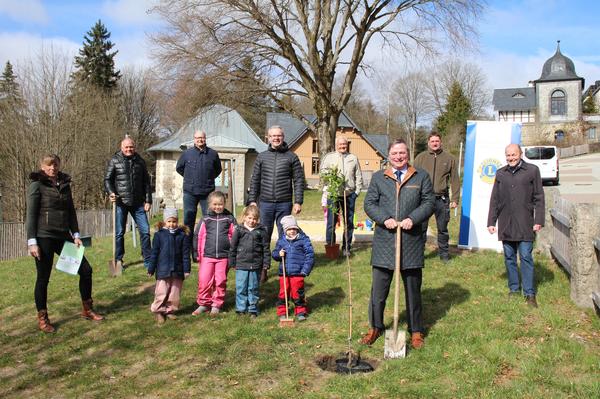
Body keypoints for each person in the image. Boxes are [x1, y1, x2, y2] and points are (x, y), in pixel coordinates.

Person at [361, 139, 434, 349]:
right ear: (389, 155)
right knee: (378, 291)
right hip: (385, 241)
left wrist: (414, 217)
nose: (399, 156)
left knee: (413, 290)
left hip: (411, 242)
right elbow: (369, 203)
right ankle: (375, 326)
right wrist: (385, 219)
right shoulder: (379, 177)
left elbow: (428, 202)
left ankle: (416, 330)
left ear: (408, 154)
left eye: (402, 152)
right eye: (395, 153)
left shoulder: (420, 176)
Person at [26, 154, 103, 333]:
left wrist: (75, 234)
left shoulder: (64, 185)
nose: (52, 168)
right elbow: (30, 216)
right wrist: (32, 242)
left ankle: (87, 309)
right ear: (42, 166)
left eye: (55, 165)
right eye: (49, 165)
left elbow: (71, 212)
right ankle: (43, 318)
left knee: (86, 270)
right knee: (43, 279)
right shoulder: (36, 185)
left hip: (63, 237)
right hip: (44, 237)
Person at [487, 144, 545, 308]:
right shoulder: (500, 173)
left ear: (521, 154)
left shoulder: (532, 171)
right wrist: (491, 221)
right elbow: (495, 200)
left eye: (513, 154)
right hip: (506, 224)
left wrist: (538, 220)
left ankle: (529, 293)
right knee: (509, 257)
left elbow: (539, 197)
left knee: (526, 257)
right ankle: (514, 289)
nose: (510, 158)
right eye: (508, 155)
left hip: (525, 223)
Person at [248, 125, 305, 244]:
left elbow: (298, 180)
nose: (276, 138)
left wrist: (298, 201)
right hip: (265, 203)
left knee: (284, 234)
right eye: (273, 136)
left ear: (283, 137)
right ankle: (263, 262)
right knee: (263, 234)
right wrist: (252, 200)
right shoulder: (262, 156)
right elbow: (255, 180)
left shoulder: (292, 157)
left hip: (284, 203)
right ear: (268, 138)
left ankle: (283, 262)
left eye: (279, 135)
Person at [104, 137, 152, 269]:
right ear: (122, 147)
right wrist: (111, 192)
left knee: (146, 231)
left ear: (134, 147)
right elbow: (107, 180)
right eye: (126, 147)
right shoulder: (115, 160)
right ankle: (119, 260)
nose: (129, 149)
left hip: (138, 203)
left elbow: (146, 182)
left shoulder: (140, 161)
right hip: (120, 202)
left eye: (131, 147)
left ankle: (148, 259)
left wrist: (148, 200)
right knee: (119, 233)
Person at [413, 132, 460, 263]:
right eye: (432, 141)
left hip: (442, 199)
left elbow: (455, 180)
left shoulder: (449, 158)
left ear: (441, 142)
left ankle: (444, 255)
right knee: (421, 228)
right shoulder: (420, 158)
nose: (435, 143)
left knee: (443, 229)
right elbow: (412, 178)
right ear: (428, 142)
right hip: (424, 199)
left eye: (437, 141)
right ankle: (418, 255)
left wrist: (455, 199)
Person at [193, 191, 236, 315]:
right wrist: (196, 253)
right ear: (210, 204)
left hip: (223, 257)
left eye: (220, 204)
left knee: (220, 281)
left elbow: (235, 237)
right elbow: (198, 236)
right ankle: (203, 303)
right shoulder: (206, 219)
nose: (218, 207)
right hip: (207, 256)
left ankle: (216, 304)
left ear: (224, 204)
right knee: (204, 280)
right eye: (215, 204)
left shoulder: (229, 219)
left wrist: (233, 255)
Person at [320, 136, 363, 256]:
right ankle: (331, 247)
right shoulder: (329, 157)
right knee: (331, 222)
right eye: (340, 145)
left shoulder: (353, 158)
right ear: (336, 145)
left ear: (347, 145)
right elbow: (322, 173)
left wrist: (357, 192)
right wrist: (331, 175)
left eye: (344, 144)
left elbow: (358, 176)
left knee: (348, 222)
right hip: (333, 194)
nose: (343, 147)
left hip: (349, 195)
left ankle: (346, 248)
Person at [147, 208, 191, 324]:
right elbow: (154, 253)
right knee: (161, 292)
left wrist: (186, 269)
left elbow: (185, 254)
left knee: (174, 293)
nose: (172, 224)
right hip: (163, 269)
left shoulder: (182, 235)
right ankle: (158, 310)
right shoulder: (159, 235)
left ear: (177, 221)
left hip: (178, 269)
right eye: (169, 221)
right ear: (165, 221)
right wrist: (151, 268)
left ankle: (170, 310)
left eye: (174, 221)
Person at [176, 130, 222, 232]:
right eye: (197, 138)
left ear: (205, 139)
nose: (200, 140)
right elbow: (179, 168)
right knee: (188, 218)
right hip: (190, 192)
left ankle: (206, 244)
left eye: (202, 138)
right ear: (194, 139)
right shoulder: (187, 154)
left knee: (209, 218)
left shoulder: (213, 154)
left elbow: (218, 170)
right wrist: (189, 177)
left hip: (207, 192)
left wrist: (208, 178)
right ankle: (187, 245)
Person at [229, 205, 270, 318]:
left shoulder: (261, 231)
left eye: (254, 219)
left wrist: (266, 263)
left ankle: (253, 309)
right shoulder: (239, 230)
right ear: (245, 217)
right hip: (241, 264)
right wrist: (232, 262)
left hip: (256, 265)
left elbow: (266, 248)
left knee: (253, 287)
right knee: (241, 287)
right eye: (249, 218)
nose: (252, 221)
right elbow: (233, 247)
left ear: (258, 219)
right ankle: (241, 308)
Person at [271, 215, 314, 321]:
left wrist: (305, 270)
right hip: (284, 272)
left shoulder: (303, 240)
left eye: (294, 228)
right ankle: (282, 311)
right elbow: (275, 254)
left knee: (297, 292)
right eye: (289, 229)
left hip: (298, 273)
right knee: (283, 292)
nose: (292, 231)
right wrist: (278, 254)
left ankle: (300, 311)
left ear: (297, 228)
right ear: (285, 230)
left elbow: (310, 254)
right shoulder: (282, 241)